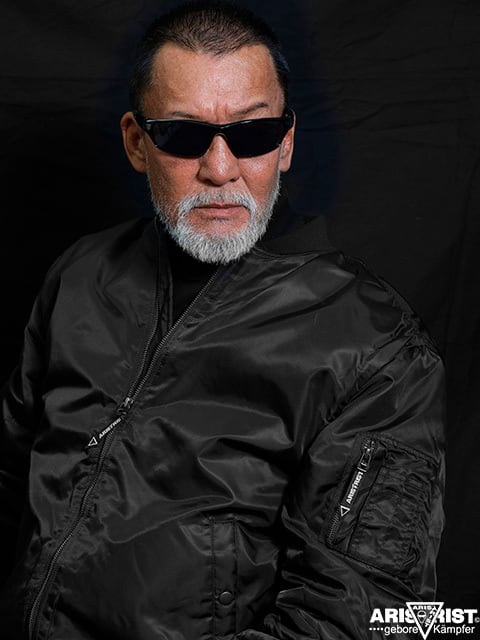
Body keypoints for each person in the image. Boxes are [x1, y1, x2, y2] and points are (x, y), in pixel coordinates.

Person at [0, 2, 445, 639]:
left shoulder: (375, 347)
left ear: (285, 143)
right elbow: (12, 478)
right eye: (184, 135)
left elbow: (362, 616)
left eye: (252, 133)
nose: (219, 168)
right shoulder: (82, 273)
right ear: (137, 143)